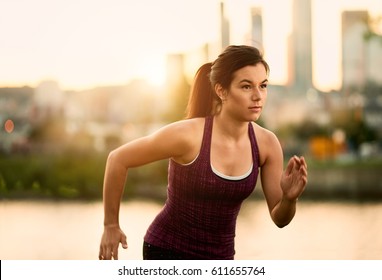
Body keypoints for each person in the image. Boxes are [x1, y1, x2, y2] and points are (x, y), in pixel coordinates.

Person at [98, 45, 308, 260]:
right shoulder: (188, 135)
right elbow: (118, 159)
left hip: (221, 259)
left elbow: (280, 219)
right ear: (221, 90)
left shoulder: (267, 144)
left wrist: (289, 200)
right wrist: (111, 225)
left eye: (263, 86)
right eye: (246, 87)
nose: (258, 96)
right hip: (166, 252)